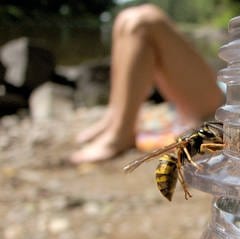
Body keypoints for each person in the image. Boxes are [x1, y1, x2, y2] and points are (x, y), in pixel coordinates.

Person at [70, 4, 225, 164]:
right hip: (220, 90)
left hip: (223, 105)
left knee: (145, 22)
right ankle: (113, 118)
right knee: (125, 19)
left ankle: (122, 133)